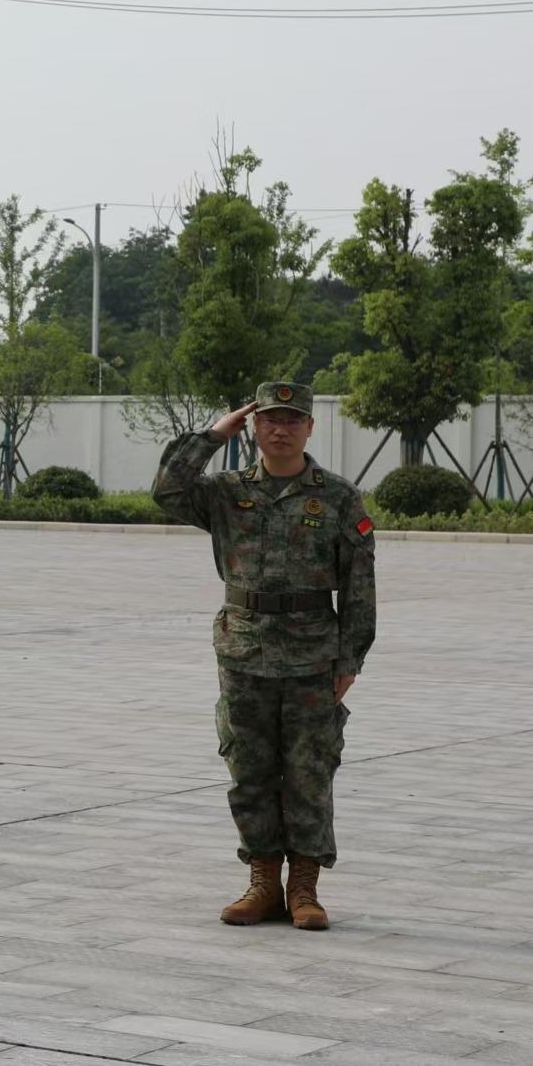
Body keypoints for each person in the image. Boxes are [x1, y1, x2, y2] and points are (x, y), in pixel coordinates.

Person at [153, 381, 376, 931]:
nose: (280, 429)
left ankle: (304, 888)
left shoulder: (338, 496)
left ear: (309, 428)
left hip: (312, 654)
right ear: (253, 427)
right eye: (269, 419)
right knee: (248, 769)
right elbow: (167, 491)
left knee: (310, 771)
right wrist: (210, 436)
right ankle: (261, 882)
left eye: (292, 420)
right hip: (244, 648)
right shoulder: (226, 492)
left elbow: (359, 583)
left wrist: (351, 658)